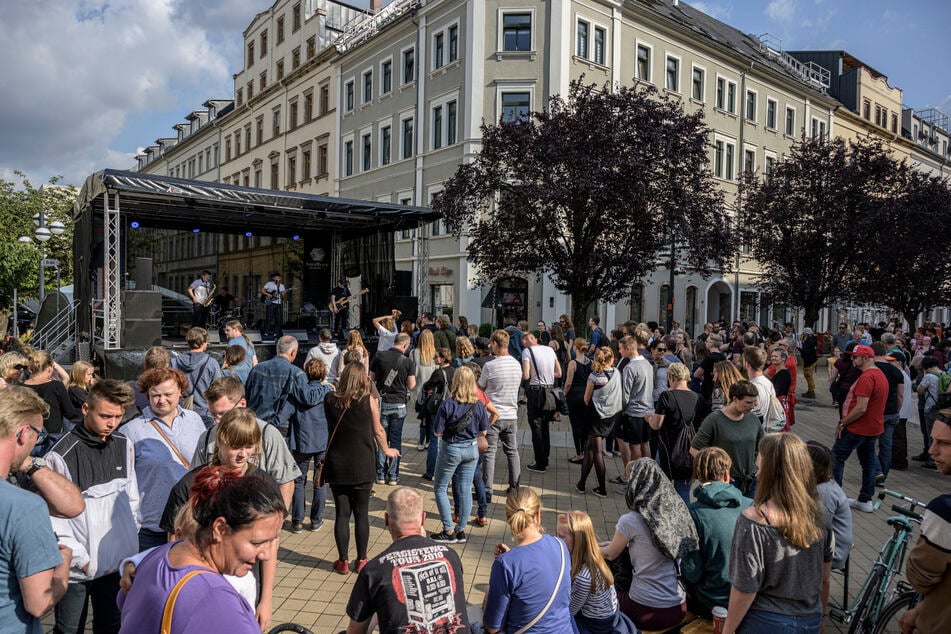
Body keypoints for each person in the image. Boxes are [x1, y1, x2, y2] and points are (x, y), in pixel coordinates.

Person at [117, 466, 284, 634]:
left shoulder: (153, 557)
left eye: (272, 541)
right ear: (220, 529)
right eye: (257, 543)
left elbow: (124, 603)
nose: (266, 554)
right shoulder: (216, 600)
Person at [160, 409, 279, 629]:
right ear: (220, 441)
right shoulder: (190, 485)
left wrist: (266, 599)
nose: (243, 454)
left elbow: (271, 543)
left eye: (249, 446)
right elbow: (172, 545)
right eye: (235, 446)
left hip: (246, 589)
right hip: (198, 589)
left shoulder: (264, 484)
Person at [46, 380, 137, 634]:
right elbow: (54, 519)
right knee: (69, 630)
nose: (112, 423)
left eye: (118, 416)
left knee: (111, 626)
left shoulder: (124, 444)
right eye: (106, 416)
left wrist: (128, 548)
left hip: (115, 565)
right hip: (77, 570)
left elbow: (131, 499)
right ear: (86, 408)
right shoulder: (60, 455)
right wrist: (83, 561)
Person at [723, 433, 833, 634]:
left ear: (771, 472)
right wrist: (821, 618)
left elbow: (745, 588)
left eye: (759, 469)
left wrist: (728, 630)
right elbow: (824, 578)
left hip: (764, 621)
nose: (756, 475)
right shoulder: (820, 516)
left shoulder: (753, 521)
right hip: (810, 618)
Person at [345, 487, 470, 633]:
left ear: (386, 520)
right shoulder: (450, 555)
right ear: (423, 518)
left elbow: (355, 631)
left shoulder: (374, 569)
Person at [0, 386, 73, 633]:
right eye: (38, 437)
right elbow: (39, 603)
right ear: (23, 433)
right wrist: (63, 564)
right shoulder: (24, 507)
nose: (35, 444)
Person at [601, 459, 697, 631]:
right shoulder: (676, 516)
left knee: (599, 596)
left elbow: (610, 554)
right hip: (678, 606)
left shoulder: (631, 521)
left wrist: (587, 546)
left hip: (645, 608)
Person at [323, 363, 400, 574]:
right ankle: (363, 559)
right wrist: (387, 449)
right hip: (364, 462)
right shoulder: (370, 401)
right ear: (363, 378)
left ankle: (343, 561)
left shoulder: (330, 400)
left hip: (338, 463)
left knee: (341, 514)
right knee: (362, 514)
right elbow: (378, 430)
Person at [122, 367, 206, 551]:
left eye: (168, 394)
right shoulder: (131, 430)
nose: (161, 401)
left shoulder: (194, 420)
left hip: (190, 520)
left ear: (180, 392)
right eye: (155, 395)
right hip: (151, 525)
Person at [191, 376, 302, 512]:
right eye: (213, 415)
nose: (218, 421)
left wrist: (276, 523)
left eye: (224, 414)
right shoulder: (207, 437)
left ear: (242, 404)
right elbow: (195, 480)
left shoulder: (267, 434)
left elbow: (286, 482)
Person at [482, 488, 576, 634]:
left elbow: (492, 627)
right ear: (538, 515)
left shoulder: (505, 565)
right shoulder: (560, 545)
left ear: (509, 519)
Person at [681, 447, 750, 618]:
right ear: (727, 474)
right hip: (748, 599)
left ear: (698, 475)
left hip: (710, 600)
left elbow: (692, 572)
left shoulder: (692, 513)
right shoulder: (753, 506)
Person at [899, 411, 951, 634]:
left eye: (944, 443)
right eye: (932, 440)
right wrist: (921, 609)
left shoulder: (944, 511)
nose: (932, 450)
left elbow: (921, 578)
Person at [430, 367, 490, 543]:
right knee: (465, 489)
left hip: (452, 449)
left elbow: (437, 433)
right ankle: (461, 531)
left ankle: (448, 530)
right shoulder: (478, 404)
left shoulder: (448, 404)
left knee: (441, 487)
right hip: (471, 450)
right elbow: (484, 431)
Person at [557, 510, 635, 634]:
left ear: (577, 540)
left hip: (597, 626)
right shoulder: (595, 557)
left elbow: (570, 612)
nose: (557, 539)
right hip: (612, 615)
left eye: (561, 536)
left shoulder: (583, 578)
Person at [832, 344, 888, 513]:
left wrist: (843, 422)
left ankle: (835, 498)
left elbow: (861, 407)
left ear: (866, 358)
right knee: (868, 462)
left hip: (858, 427)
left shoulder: (867, 377)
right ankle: (865, 499)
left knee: (836, 458)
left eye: (855, 357)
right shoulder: (879, 375)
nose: (852, 359)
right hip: (872, 427)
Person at [690, 380, 764, 497]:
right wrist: (716, 471)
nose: (753, 406)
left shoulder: (753, 419)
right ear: (735, 399)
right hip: (725, 484)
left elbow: (762, 445)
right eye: (748, 402)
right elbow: (694, 449)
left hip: (751, 483)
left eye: (754, 402)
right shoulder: (714, 420)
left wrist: (759, 467)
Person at [288, 358, 335, 533]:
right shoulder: (328, 393)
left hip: (302, 440)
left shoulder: (298, 393)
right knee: (320, 481)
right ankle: (316, 520)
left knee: (299, 482)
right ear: (323, 373)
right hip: (322, 440)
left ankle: (297, 521)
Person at [648, 362, 704, 503]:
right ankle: (684, 522)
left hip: (667, 450)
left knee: (659, 487)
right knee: (684, 492)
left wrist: (648, 417)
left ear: (671, 377)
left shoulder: (666, 396)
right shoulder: (699, 398)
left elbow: (656, 425)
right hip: (689, 451)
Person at [479, 330, 522, 500]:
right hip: (512, 414)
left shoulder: (490, 366)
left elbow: (480, 388)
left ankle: (487, 490)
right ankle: (514, 488)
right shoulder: (516, 364)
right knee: (512, 451)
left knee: (489, 452)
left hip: (493, 415)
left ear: (496, 345)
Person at [369, 333, 416, 485]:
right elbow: (411, 385)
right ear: (405, 345)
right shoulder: (408, 362)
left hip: (383, 403)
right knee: (395, 440)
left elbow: (371, 378)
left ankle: (380, 474)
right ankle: (393, 476)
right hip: (399, 404)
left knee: (381, 437)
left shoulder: (379, 356)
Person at [577, 347, 622, 497]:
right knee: (589, 448)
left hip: (596, 416)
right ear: (611, 359)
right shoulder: (617, 373)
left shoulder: (594, 376)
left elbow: (586, 398)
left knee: (596, 451)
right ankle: (581, 483)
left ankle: (602, 488)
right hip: (611, 415)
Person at [244, 335, 309, 433]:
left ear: (277, 349)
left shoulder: (257, 369)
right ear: (293, 353)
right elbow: (306, 398)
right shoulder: (297, 373)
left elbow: (246, 395)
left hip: (254, 423)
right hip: (281, 427)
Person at [806, 441, 852, 572]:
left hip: (832, 552)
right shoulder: (819, 485)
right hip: (824, 545)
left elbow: (818, 531)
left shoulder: (824, 492)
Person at [522, 331, 562, 473]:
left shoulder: (527, 352)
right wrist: (548, 375)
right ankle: (545, 457)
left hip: (536, 391)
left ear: (528, 340)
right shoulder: (550, 350)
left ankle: (540, 463)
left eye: (524, 342)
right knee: (545, 426)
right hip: (550, 391)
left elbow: (526, 375)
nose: (524, 345)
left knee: (536, 426)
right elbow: (559, 372)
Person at [23, 348, 81, 444]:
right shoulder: (56, 386)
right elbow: (70, 414)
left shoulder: (19, 387)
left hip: (26, 439)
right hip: (50, 439)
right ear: (50, 368)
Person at [171, 327, 223, 426]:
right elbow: (218, 390)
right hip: (204, 412)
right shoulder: (211, 363)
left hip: (180, 411)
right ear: (203, 343)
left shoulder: (174, 362)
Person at [871, 341, 905, 484]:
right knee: (886, 445)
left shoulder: (871, 369)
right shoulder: (896, 371)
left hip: (875, 412)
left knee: (867, 444)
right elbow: (900, 396)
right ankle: (882, 475)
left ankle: (877, 471)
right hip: (891, 412)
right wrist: (896, 410)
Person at [420, 348, 455, 480]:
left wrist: (429, 390)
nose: (434, 358)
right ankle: (448, 471)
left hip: (439, 408)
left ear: (443, 359)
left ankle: (431, 472)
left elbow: (427, 385)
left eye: (436, 357)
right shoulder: (454, 370)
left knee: (435, 439)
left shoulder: (438, 373)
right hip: (452, 407)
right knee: (449, 439)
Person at [564, 337, 593, 464]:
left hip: (574, 397)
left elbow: (568, 383)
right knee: (585, 425)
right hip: (587, 396)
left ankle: (578, 453)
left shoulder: (573, 363)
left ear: (575, 347)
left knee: (576, 426)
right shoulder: (591, 363)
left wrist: (563, 395)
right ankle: (586, 452)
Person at [410, 329, 436, 450]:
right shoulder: (436, 354)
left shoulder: (414, 353)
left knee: (423, 418)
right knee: (431, 418)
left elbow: (411, 372)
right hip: (433, 391)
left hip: (419, 391)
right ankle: (429, 441)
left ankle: (421, 442)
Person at [743, 347, 775, 428]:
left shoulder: (751, 387)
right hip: (765, 430)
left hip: (754, 432)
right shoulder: (768, 383)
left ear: (747, 364)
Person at [768, 347, 795, 430]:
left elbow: (778, 392)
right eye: (772, 356)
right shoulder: (779, 372)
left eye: (776, 356)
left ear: (783, 358)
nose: (773, 358)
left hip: (779, 406)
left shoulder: (783, 374)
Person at [800, 327, 819, 398]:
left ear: (807, 334)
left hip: (810, 361)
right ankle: (810, 390)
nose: (802, 334)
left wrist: (800, 348)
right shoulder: (811, 340)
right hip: (811, 360)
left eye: (804, 333)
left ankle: (811, 391)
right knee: (808, 375)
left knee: (808, 375)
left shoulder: (810, 341)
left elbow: (806, 352)